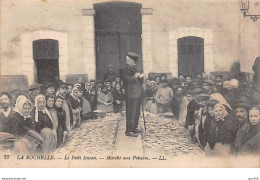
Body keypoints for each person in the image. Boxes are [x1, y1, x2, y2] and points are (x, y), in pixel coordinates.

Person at [120, 52, 144, 137]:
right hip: (130, 95)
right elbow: (126, 79)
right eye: (133, 61)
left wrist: (141, 77)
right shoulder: (124, 69)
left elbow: (139, 81)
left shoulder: (134, 69)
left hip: (137, 94)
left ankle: (134, 128)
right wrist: (135, 77)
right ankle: (129, 130)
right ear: (128, 60)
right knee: (131, 113)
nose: (134, 63)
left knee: (137, 112)